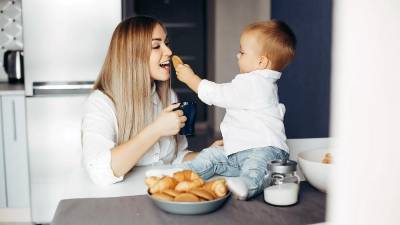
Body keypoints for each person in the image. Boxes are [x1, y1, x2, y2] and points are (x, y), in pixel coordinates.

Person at [81, 16, 218, 185]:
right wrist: (156, 129)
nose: (168, 51)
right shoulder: (101, 103)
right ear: (132, 55)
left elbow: (177, 157)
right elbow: (99, 171)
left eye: (166, 43)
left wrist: (208, 156)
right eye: (156, 45)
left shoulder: (169, 96)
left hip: (164, 196)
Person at [173, 20, 296, 200]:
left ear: (261, 61)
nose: (237, 55)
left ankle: (247, 184)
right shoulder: (257, 83)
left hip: (265, 150)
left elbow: (218, 94)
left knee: (256, 167)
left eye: (242, 52)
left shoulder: (255, 83)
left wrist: (192, 79)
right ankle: (187, 174)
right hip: (240, 152)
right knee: (212, 156)